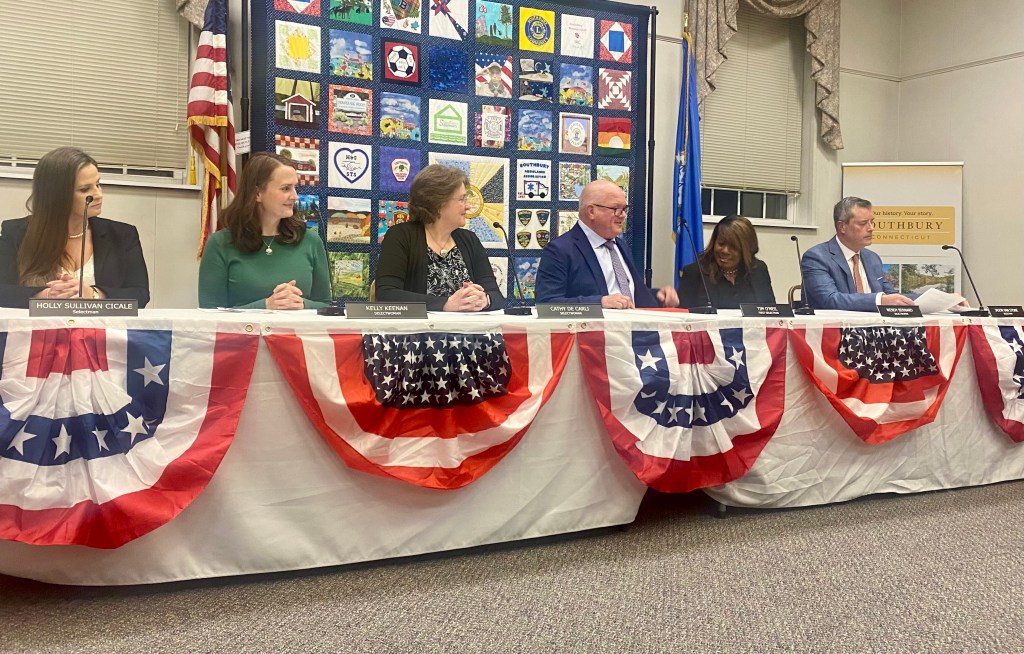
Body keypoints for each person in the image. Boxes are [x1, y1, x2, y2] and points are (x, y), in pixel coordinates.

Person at [0, 147, 150, 308]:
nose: (98, 194)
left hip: (101, 324)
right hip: (41, 324)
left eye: (98, 184)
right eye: (85, 189)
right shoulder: (16, 233)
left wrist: (93, 294)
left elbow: (140, 295)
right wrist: (46, 295)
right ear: (56, 195)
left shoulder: (123, 235)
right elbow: (3, 292)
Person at [198, 152, 331, 309]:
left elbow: (326, 306)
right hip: (244, 327)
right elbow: (209, 312)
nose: (295, 196)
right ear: (257, 194)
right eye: (285, 188)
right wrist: (266, 305)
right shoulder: (220, 243)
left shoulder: (311, 241)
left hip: (299, 326)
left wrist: (301, 304)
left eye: (295, 187)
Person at [375, 164, 503, 311]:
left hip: (467, 326)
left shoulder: (470, 240)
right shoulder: (401, 236)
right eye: (462, 199)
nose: (467, 206)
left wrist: (484, 300)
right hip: (420, 326)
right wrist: (446, 304)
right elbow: (386, 294)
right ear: (438, 202)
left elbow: (496, 296)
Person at [535, 179, 679, 309]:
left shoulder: (620, 246)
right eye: (616, 209)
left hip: (633, 328)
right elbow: (547, 304)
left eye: (625, 209)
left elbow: (627, 294)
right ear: (591, 211)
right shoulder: (560, 250)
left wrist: (659, 296)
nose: (623, 215)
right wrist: (600, 303)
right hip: (594, 329)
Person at [801, 197, 916, 311]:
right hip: (836, 322)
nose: (871, 228)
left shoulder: (872, 258)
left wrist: (923, 299)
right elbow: (830, 300)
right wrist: (879, 301)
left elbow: (891, 295)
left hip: (876, 322)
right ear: (842, 227)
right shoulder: (816, 257)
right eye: (863, 223)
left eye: (872, 222)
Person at [678, 215, 775, 309]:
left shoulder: (758, 270)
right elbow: (682, 315)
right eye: (721, 243)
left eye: (733, 246)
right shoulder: (695, 272)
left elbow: (771, 312)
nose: (725, 251)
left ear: (746, 248)